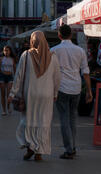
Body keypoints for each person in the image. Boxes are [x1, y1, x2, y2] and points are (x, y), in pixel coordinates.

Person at [8, 31, 61, 162]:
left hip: (30, 94)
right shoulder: (53, 57)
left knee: (29, 120)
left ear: (32, 41)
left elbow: (19, 76)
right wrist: (55, 93)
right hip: (47, 95)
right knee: (44, 122)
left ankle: (30, 148)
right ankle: (39, 151)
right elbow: (57, 78)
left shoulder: (26, 55)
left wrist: (12, 93)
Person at [51, 25, 93, 159]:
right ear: (71, 35)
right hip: (76, 88)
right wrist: (89, 91)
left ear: (59, 35)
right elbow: (85, 72)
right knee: (73, 118)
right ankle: (72, 147)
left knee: (64, 118)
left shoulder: (54, 51)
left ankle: (69, 149)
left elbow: (49, 72)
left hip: (61, 88)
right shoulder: (80, 51)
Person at [0, 46, 16, 116]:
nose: (6, 52)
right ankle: (4, 110)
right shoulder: (1, 59)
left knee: (8, 94)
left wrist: (16, 79)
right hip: (2, 76)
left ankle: (8, 106)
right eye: (5, 51)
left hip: (10, 77)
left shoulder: (12, 59)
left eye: (7, 50)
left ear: (10, 51)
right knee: (3, 94)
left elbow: (15, 70)